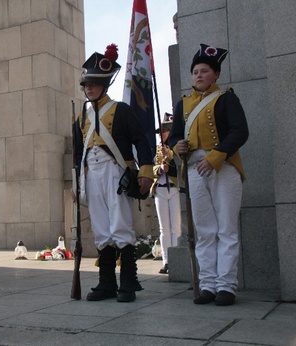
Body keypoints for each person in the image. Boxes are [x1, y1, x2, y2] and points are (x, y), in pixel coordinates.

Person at [168, 44, 249, 306]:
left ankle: (226, 286)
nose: (199, 75)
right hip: (194, 168)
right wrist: (176, 145)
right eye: (195, 72)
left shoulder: (226, 99)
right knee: (204, 231)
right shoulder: (183, 104)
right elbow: (177, 135)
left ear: (215, 75)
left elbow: (239, 132)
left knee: (226, 229)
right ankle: (208, 284)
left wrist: (216, 157)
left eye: (204, 71)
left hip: (222, 167)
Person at [74, 44, 154, 302]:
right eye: (86, 84)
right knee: (100, 227)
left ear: (105, 84)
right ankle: (106, 282)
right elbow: (78, 154)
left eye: (94, 83)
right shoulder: (81, 118)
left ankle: (128, 282)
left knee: (120, 224)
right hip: (92, 175)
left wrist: (145, 170)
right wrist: (78, 183)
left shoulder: (121, 110)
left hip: (116, 172)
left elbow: (142, 141)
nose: (89, 88)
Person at [151, 113, 181, 274]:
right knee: (164, 229)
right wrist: (160, 169)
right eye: (160, 132)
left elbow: (180, 167)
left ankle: (177, 259)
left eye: (164, 131)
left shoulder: (175, 148)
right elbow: (152, 168)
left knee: (175, 227)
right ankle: (167, 260)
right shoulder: (156, 150)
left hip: (174, 188)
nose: (161, 135)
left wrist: (169, 156)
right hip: (161, 188)